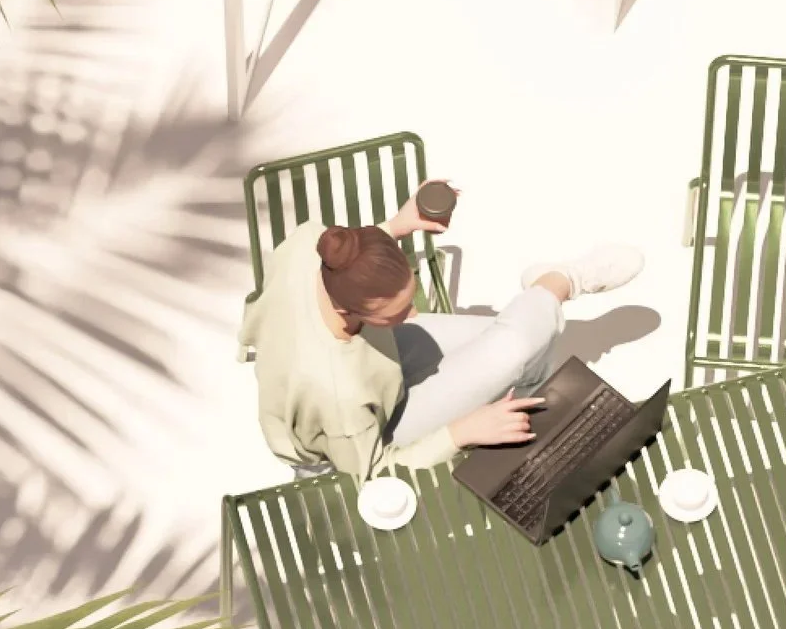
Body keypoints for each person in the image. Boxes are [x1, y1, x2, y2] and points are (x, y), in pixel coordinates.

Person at [240, 189, 642, 480]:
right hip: (360, 438)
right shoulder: (334, 393)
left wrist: (395, 226)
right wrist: (462, 432)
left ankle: (544, 302)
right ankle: (557, 285)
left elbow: (351, 253)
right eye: (396, 313)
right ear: (351, 310)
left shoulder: (310, 244)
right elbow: (372, 472)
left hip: (380, 361)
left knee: (518, 343)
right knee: (517, 347)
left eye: (410, 298)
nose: (412, 314)